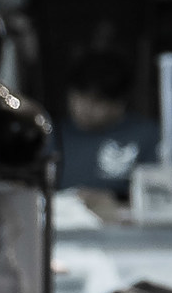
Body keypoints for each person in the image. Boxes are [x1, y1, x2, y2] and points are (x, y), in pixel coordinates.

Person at [57, 48, 160, 195]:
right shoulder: (52, 136)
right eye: (78, 96)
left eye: (97, 101)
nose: (84, 107)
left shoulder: (148, 136)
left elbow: (156, 196)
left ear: (120, 103)